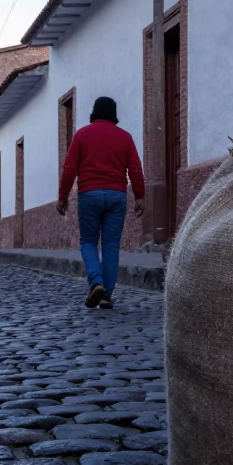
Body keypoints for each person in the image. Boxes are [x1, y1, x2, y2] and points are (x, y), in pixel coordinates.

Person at [57, 97, 145, 310]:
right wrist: (140, 196)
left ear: (94, 112)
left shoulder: (82, 135)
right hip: (117, 195)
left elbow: (69, 169)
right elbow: (135, 168)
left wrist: (63, 196)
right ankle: (106, 294)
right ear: (114, 113)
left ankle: (95, 282)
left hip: (89, 194)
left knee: (88, 242)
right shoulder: (125, 137)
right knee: (111, 246)